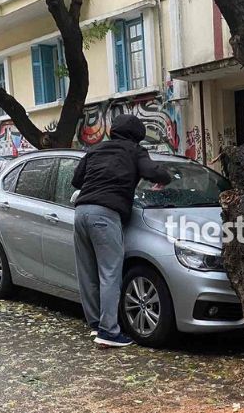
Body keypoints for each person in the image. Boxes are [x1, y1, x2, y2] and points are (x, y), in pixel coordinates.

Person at [71, 114, 171, 347]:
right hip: (105, 215)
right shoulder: (134, 151)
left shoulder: (95, 150)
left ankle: (96, 324)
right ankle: (109, 332)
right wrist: (165, 178)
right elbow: (153, 172)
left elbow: (77, 180)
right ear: (138, 136)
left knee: (87, 272)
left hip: (81, 212)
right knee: (110, 273)